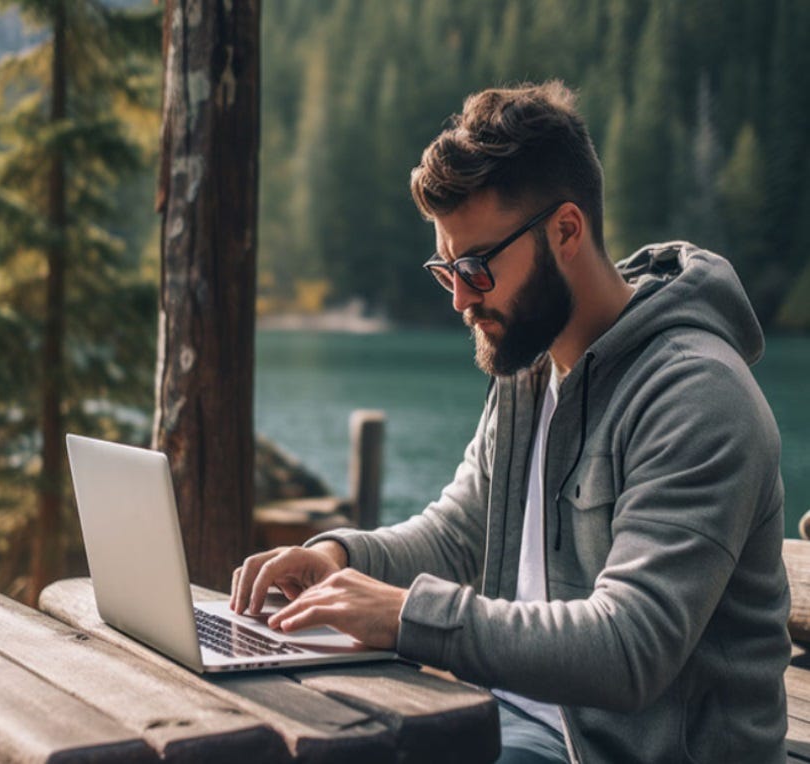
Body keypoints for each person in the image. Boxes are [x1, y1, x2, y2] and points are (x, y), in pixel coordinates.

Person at [230, 81, 791, 763]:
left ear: (566, 231)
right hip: (504, 728)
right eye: (447, 269)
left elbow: (630, 647)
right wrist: (337, 558)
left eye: (476, 268)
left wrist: (405, 617)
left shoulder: (696, 395)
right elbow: (461, 531)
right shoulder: (528, 365)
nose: (462, 298)